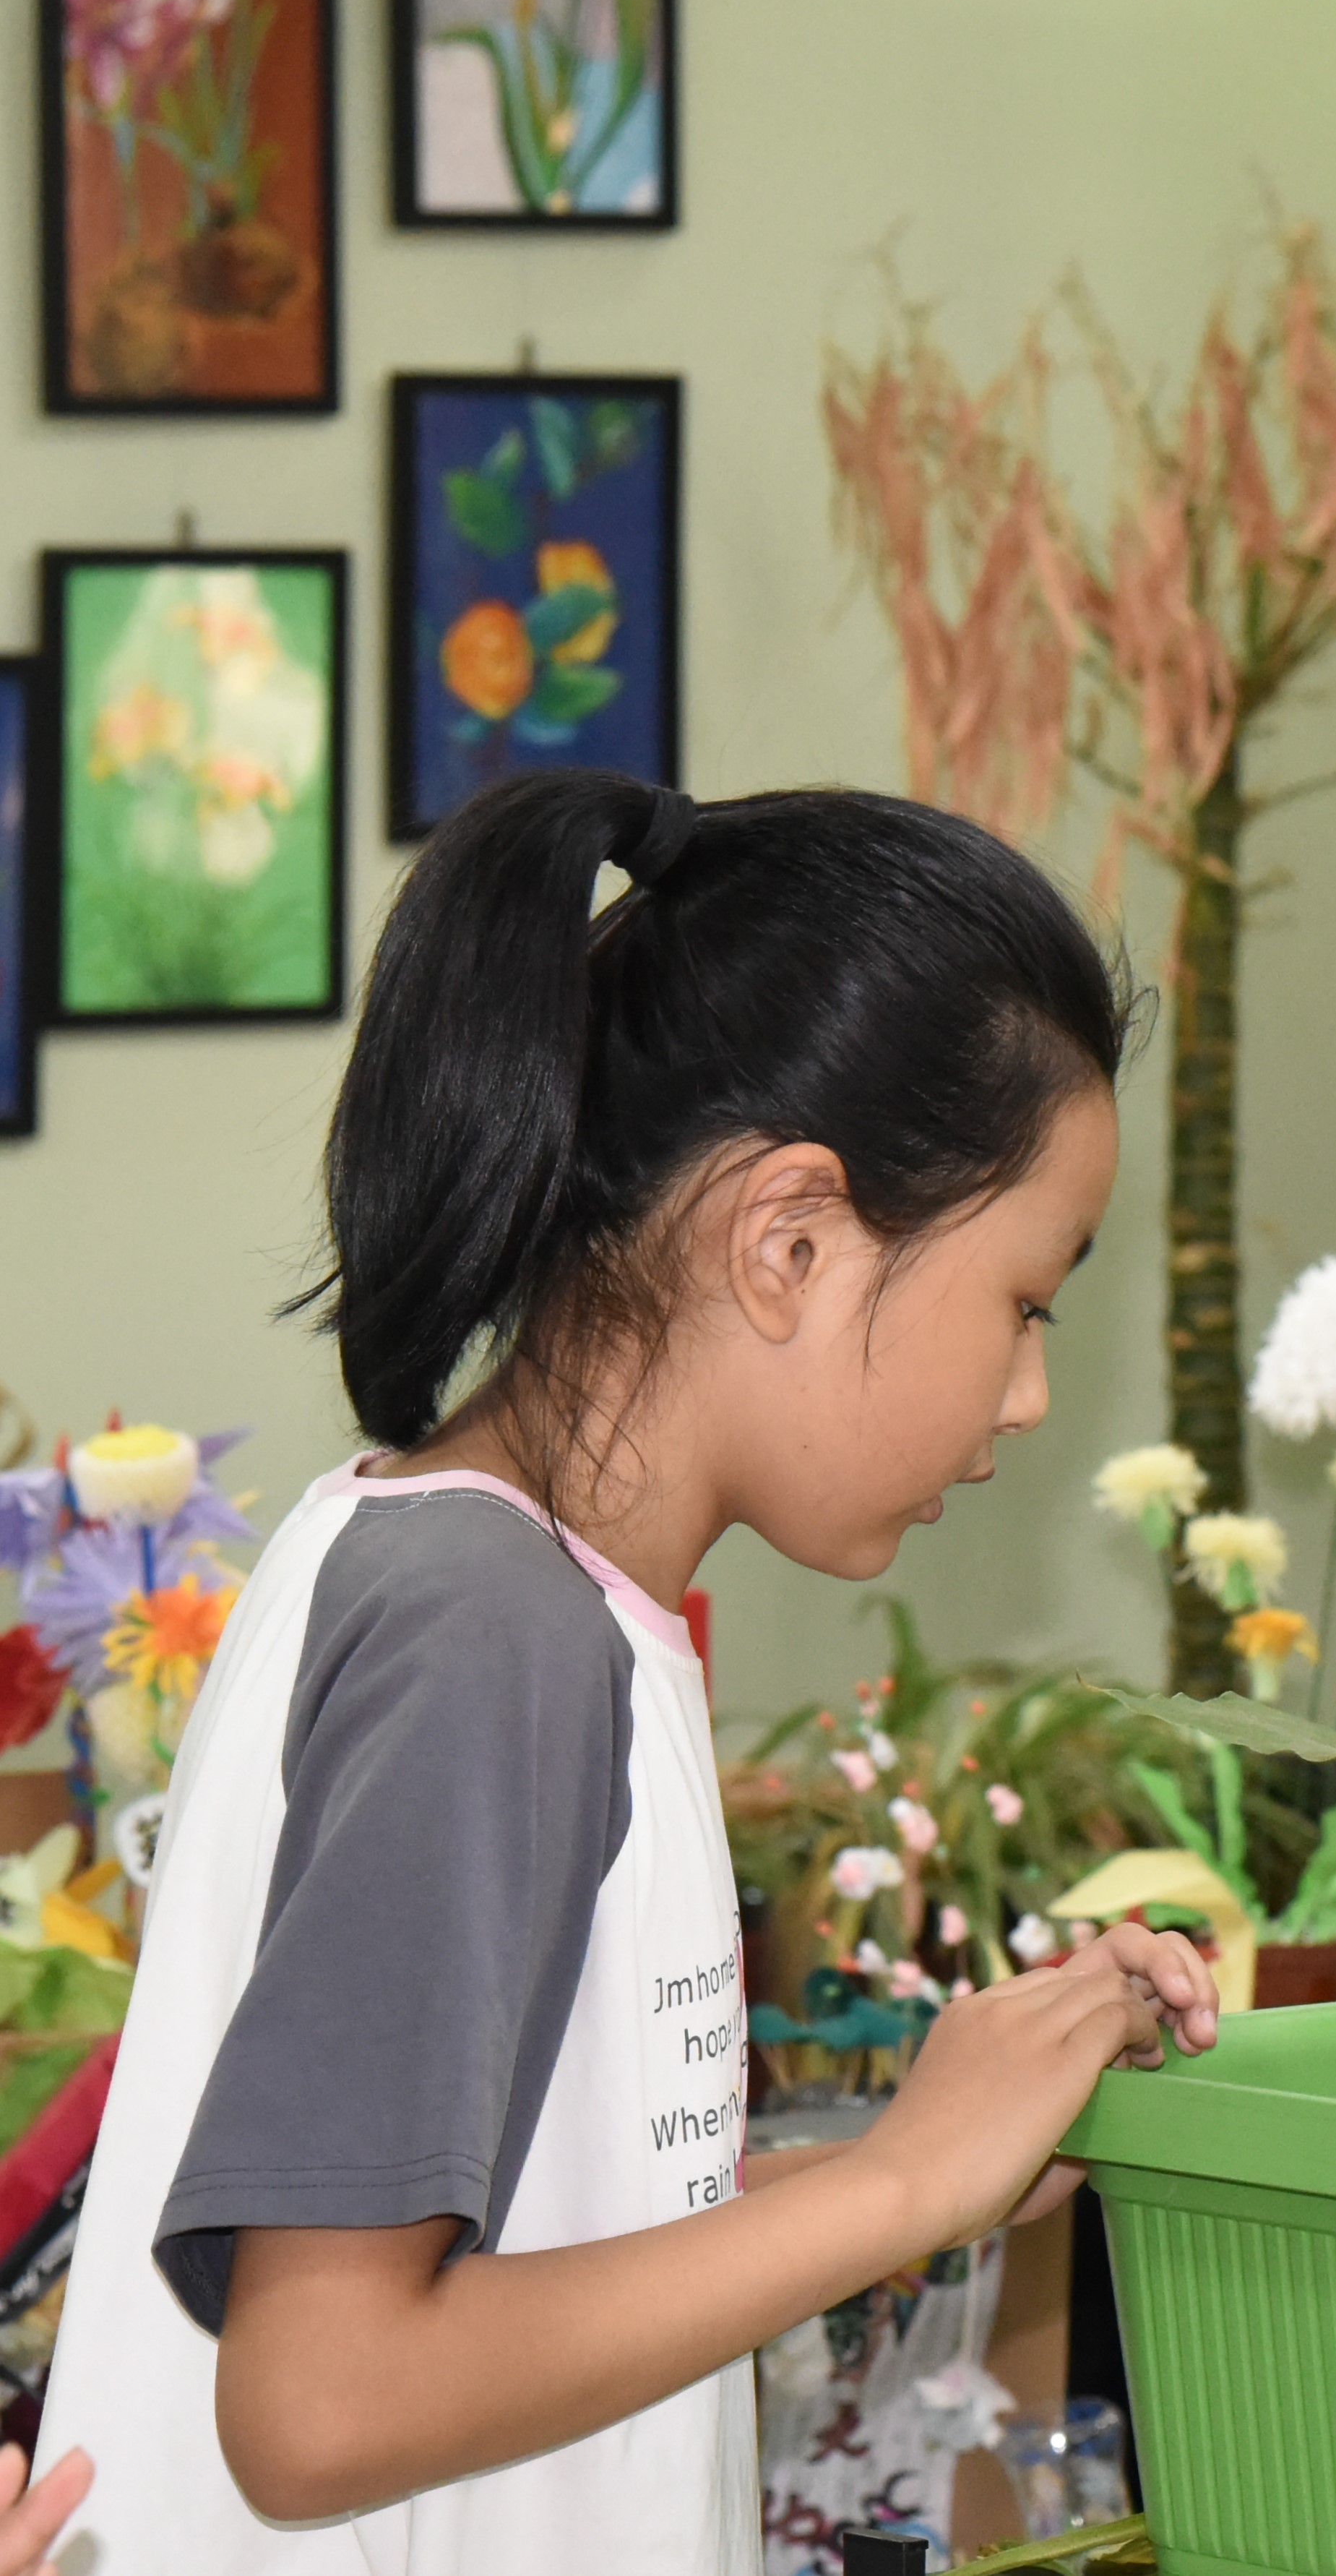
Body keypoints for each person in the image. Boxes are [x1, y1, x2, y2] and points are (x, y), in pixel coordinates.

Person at [44, 772, 1222, 2571]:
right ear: (792, 1239)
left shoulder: (514, 1587)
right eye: (1026, 1298)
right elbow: (320, 2397)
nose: (1026, 1393)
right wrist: (903, 2181)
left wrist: (910, 2179)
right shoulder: (487, 1629)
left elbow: (536, 2240)